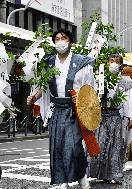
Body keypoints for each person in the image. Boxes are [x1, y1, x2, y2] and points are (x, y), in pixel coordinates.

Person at [27, 29, 95, 189]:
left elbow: (90, 87)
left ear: (71, 41)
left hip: (75, 110)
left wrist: (81, 97)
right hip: (57, 110)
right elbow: (44, 88)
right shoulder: (49, 62)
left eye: (64, 38)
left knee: (74, 146)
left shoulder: (82, 62)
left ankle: (81, 174)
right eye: (57, 39)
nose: (60, 41)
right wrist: (33, 97)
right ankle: (62, 180)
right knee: (57, 146)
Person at [88, 54, 125, 184]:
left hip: (115, 116)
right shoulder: (100, 78)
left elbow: (127, 100)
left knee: (115, 146)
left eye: (116, 61)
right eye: (111, 61)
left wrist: (130, 117)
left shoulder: (123, 81)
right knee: (100, 144)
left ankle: (115, 175)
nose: (113, 63)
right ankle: (100, 173)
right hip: (102, 115)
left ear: (120, 65)